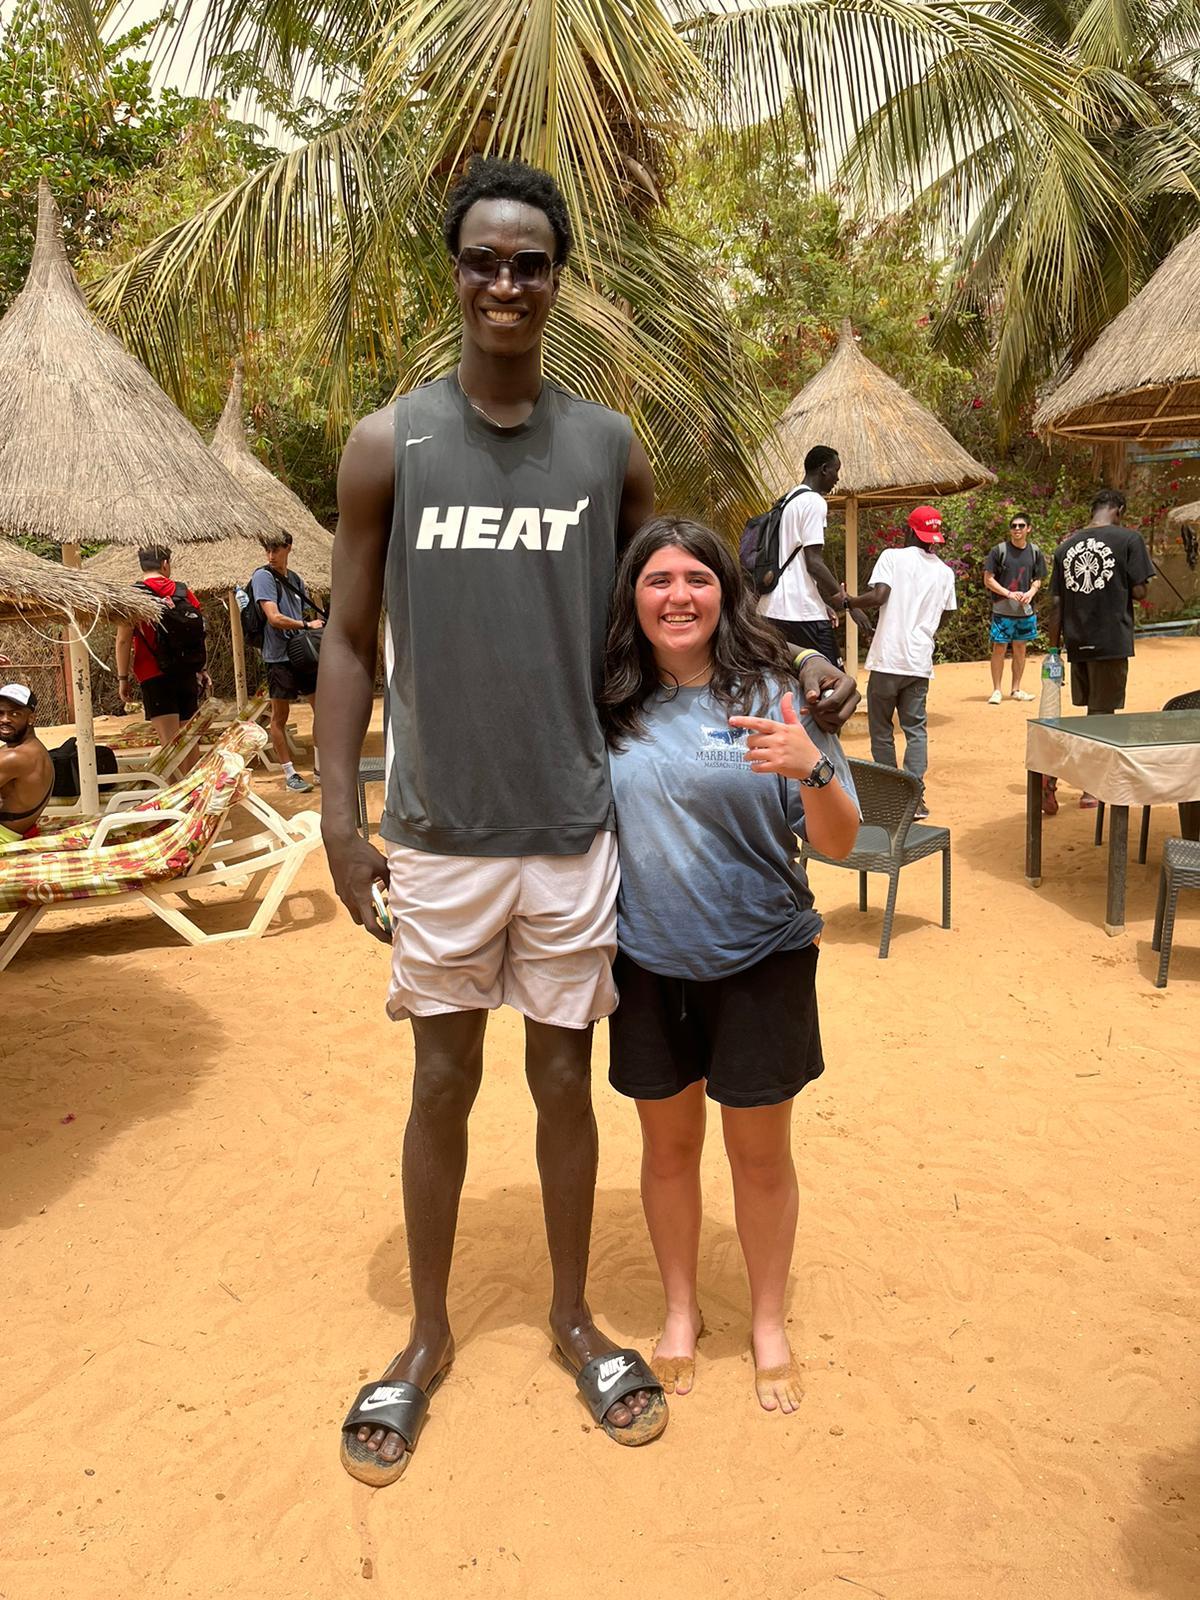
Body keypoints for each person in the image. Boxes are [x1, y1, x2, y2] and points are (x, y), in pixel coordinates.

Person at [316, 155, 860, 1486]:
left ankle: (571, 1317)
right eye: (484, 259)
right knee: (440, 1078)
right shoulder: (391, 444)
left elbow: (677, 591)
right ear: (455, 273)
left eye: (531, 262)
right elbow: (343, 635)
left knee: (566, 1078)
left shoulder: (606, 445)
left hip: (574, 828)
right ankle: (428, 1336)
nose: (507, 281)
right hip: (440, 829)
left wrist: (793, 667)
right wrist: (342, 812)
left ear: (559, 281)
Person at [601, 518, 858, 1414]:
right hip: (648, 965)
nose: (679, 596)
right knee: (667, 1151)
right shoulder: (611, 703)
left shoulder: (777, 691)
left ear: (725, 592)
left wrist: (812, 765)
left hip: (762, 959)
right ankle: (680, 1314)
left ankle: (767, 1324)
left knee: (759, 1156)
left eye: (698, 579)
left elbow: (838, 839)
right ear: (634, 596)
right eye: (659, 580)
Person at [843, 505, 957, 820]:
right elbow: (947, 613)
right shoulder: (945, 572)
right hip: (919, 662)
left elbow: (880, 595)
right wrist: (926, 631)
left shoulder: (893, 557)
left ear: (909, 530)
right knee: (915, 728)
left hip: (888, 658)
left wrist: (849, 602)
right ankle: (915, 797)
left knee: (881, 729)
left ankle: (887, 794)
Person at [1044, 488, 1154, 810]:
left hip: (1077, 641)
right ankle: (1087, 787)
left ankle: (1066, 778)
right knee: (1102, 716)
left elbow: (1055, 603)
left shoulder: (1066, 547)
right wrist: (1144, 576)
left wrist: (1053, 651)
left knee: (1092, 711)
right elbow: (1139, 590)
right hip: (1110, 640)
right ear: (1118, 509)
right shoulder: (1129, 540)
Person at [756, 445, 856, 666]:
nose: (837, 478)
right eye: (835, 471)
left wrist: (820, 602)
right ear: (823, 469)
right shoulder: (813, 502)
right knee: (833, 679)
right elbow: (813, 563)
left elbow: (795, 564)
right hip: (800, 612)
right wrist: (844, 600)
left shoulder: (787, 500)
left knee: (787, 679)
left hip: (769, 609)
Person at [115, 545, 210, 756]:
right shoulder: (183, 592)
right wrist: (201, 669)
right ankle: (192, 786)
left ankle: (176, 788)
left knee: (170, 746)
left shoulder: (133, 595)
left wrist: (123, 678)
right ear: (165, 564)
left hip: (153, 673)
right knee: (189, 740)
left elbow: (123, 640)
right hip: (186, 672)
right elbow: (199, 632)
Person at [250, 532, 323, 793]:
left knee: (322, 711)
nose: (271, 555)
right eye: (267, 550)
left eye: (276, 549)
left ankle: (319, 767)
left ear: (288, 548)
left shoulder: (296, 580)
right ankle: (290, 773)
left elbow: (296, 612)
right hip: (278, 656)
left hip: (301, 654)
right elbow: (274, 617)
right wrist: (305, 624)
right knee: (280, 716)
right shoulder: (263, 577)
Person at [983, 510, 1046, 703]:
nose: (1017, 529)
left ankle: (1016, 689)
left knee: (1020, 648)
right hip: (1003, 610)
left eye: (1021, 526)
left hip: (1025, 610)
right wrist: (1008, 593)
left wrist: (1030, 593)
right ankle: (996, 690)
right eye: (1013, 526)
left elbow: (1038, 579)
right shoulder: (999, 551)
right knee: (999, 647)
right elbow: (988, 579)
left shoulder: (1035, 552)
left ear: (1028, 529)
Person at [0, 683, 54, 844]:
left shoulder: (16, 757)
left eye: (14, 714)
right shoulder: (34, 748)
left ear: (31, 718)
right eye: (0, 713)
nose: (5, 720)